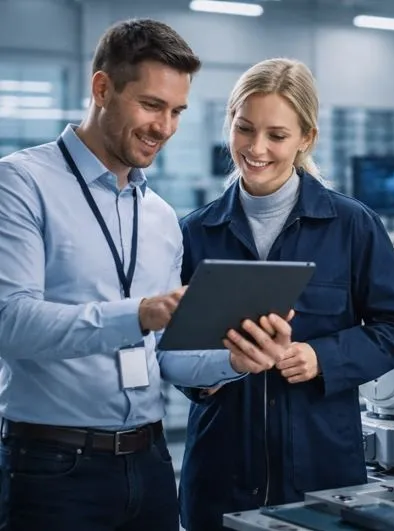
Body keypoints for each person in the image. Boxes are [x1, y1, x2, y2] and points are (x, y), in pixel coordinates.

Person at [0, 19, 288, 531]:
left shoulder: (159, 216)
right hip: (52, 467)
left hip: (151, 464)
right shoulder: (21, 184)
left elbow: (169, 360)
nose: (165, 127)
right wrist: (140, 313)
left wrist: (235, 360)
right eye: (152, 105)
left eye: (176, 111)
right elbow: (10, 322)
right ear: (102, 88)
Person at [177, 57, 394, 531]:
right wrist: (201, 380)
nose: (256, 148)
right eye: (244, 129)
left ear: (306, 138)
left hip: (322, 470)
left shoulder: (352, 226)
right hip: (220, 472)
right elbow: (172, 348)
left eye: (277, 135)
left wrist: (323, 356)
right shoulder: (195, 233)